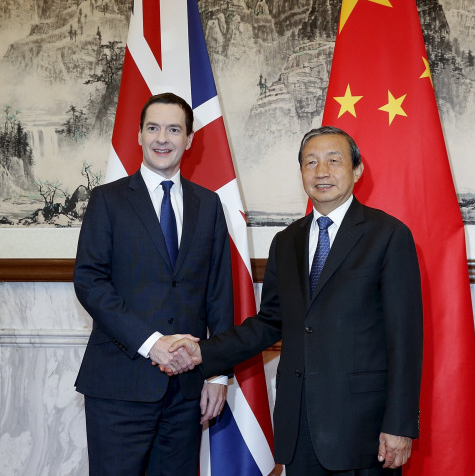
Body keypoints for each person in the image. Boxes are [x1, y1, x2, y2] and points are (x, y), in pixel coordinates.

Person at [167, 126, 424, 475]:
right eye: (311, 162)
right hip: (299, 423)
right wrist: (204, 352)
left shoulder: (389, 236)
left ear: (357, 170)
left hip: (363, 428)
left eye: (334, 161)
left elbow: (404, 340)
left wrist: (399, 424)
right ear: (301, 172)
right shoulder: (286, 241)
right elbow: (270, 321)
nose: (322, 172)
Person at [73, 92, 234, 476]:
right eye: (154, 128)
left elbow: (218, 292)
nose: (163, 138)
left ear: (189, 139)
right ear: (139, 136)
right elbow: (90, 281)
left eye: (174, 129)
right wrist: (153, 344)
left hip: (186, 392)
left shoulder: (208, 205)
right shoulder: (107, 200)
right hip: (118, 389)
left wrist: (217, 372)